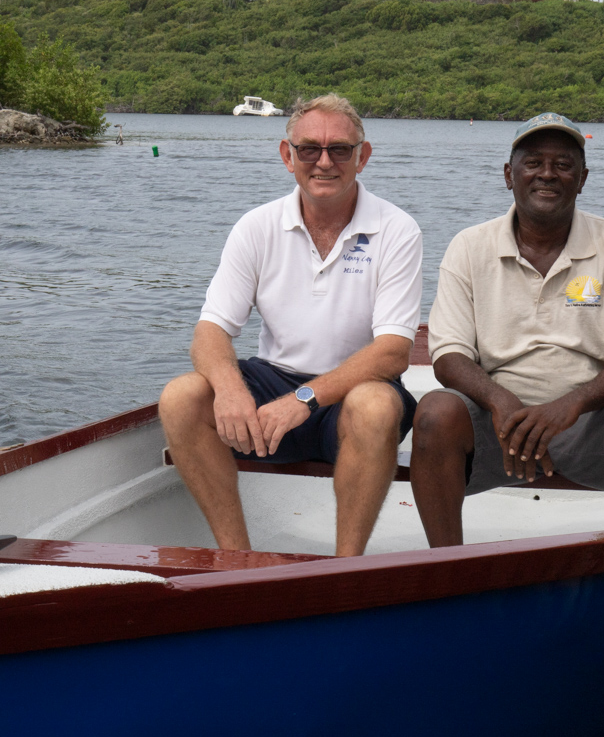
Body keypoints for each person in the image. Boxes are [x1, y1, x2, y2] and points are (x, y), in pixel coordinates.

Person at [159, 95, 424, 557]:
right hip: (272, 383)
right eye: (309, 149)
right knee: (181, 398)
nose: (324, 162)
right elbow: (209, 333)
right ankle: (238, 560)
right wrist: (231, 391)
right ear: (288, 156)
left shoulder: (397, 229)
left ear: (362, 156)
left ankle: (344, 567)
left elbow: (393, 352)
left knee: (376, 406)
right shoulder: (256, 226)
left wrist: (304, 399)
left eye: (339, 149)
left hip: (353, 393)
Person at [409, 112, 604, 546]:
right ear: (509, 175)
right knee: (434, 413)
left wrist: (570, 405)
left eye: (563, 165)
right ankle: (446, 567)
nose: (547, 174)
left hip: (592, 421)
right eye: (533, 162)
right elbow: (448, 354)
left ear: (582, 179)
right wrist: (499, 401)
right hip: (498, 425)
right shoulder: (470, 246)